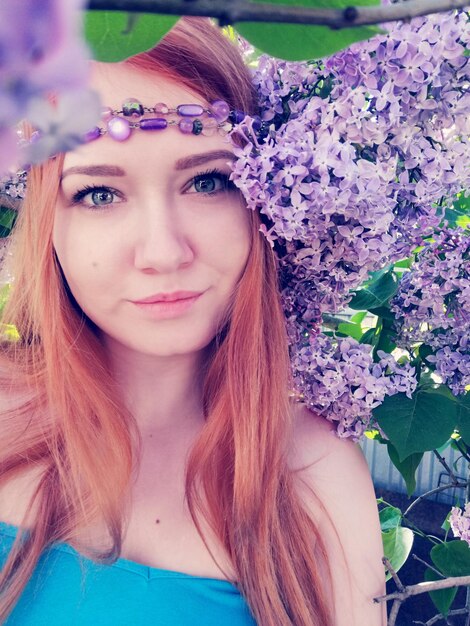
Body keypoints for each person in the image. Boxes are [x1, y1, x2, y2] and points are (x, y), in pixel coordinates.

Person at [0, 17, 386, 626]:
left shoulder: (313, 475)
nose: (163, 252)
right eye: (99, 193)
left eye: (209, 181)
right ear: (50, 224)